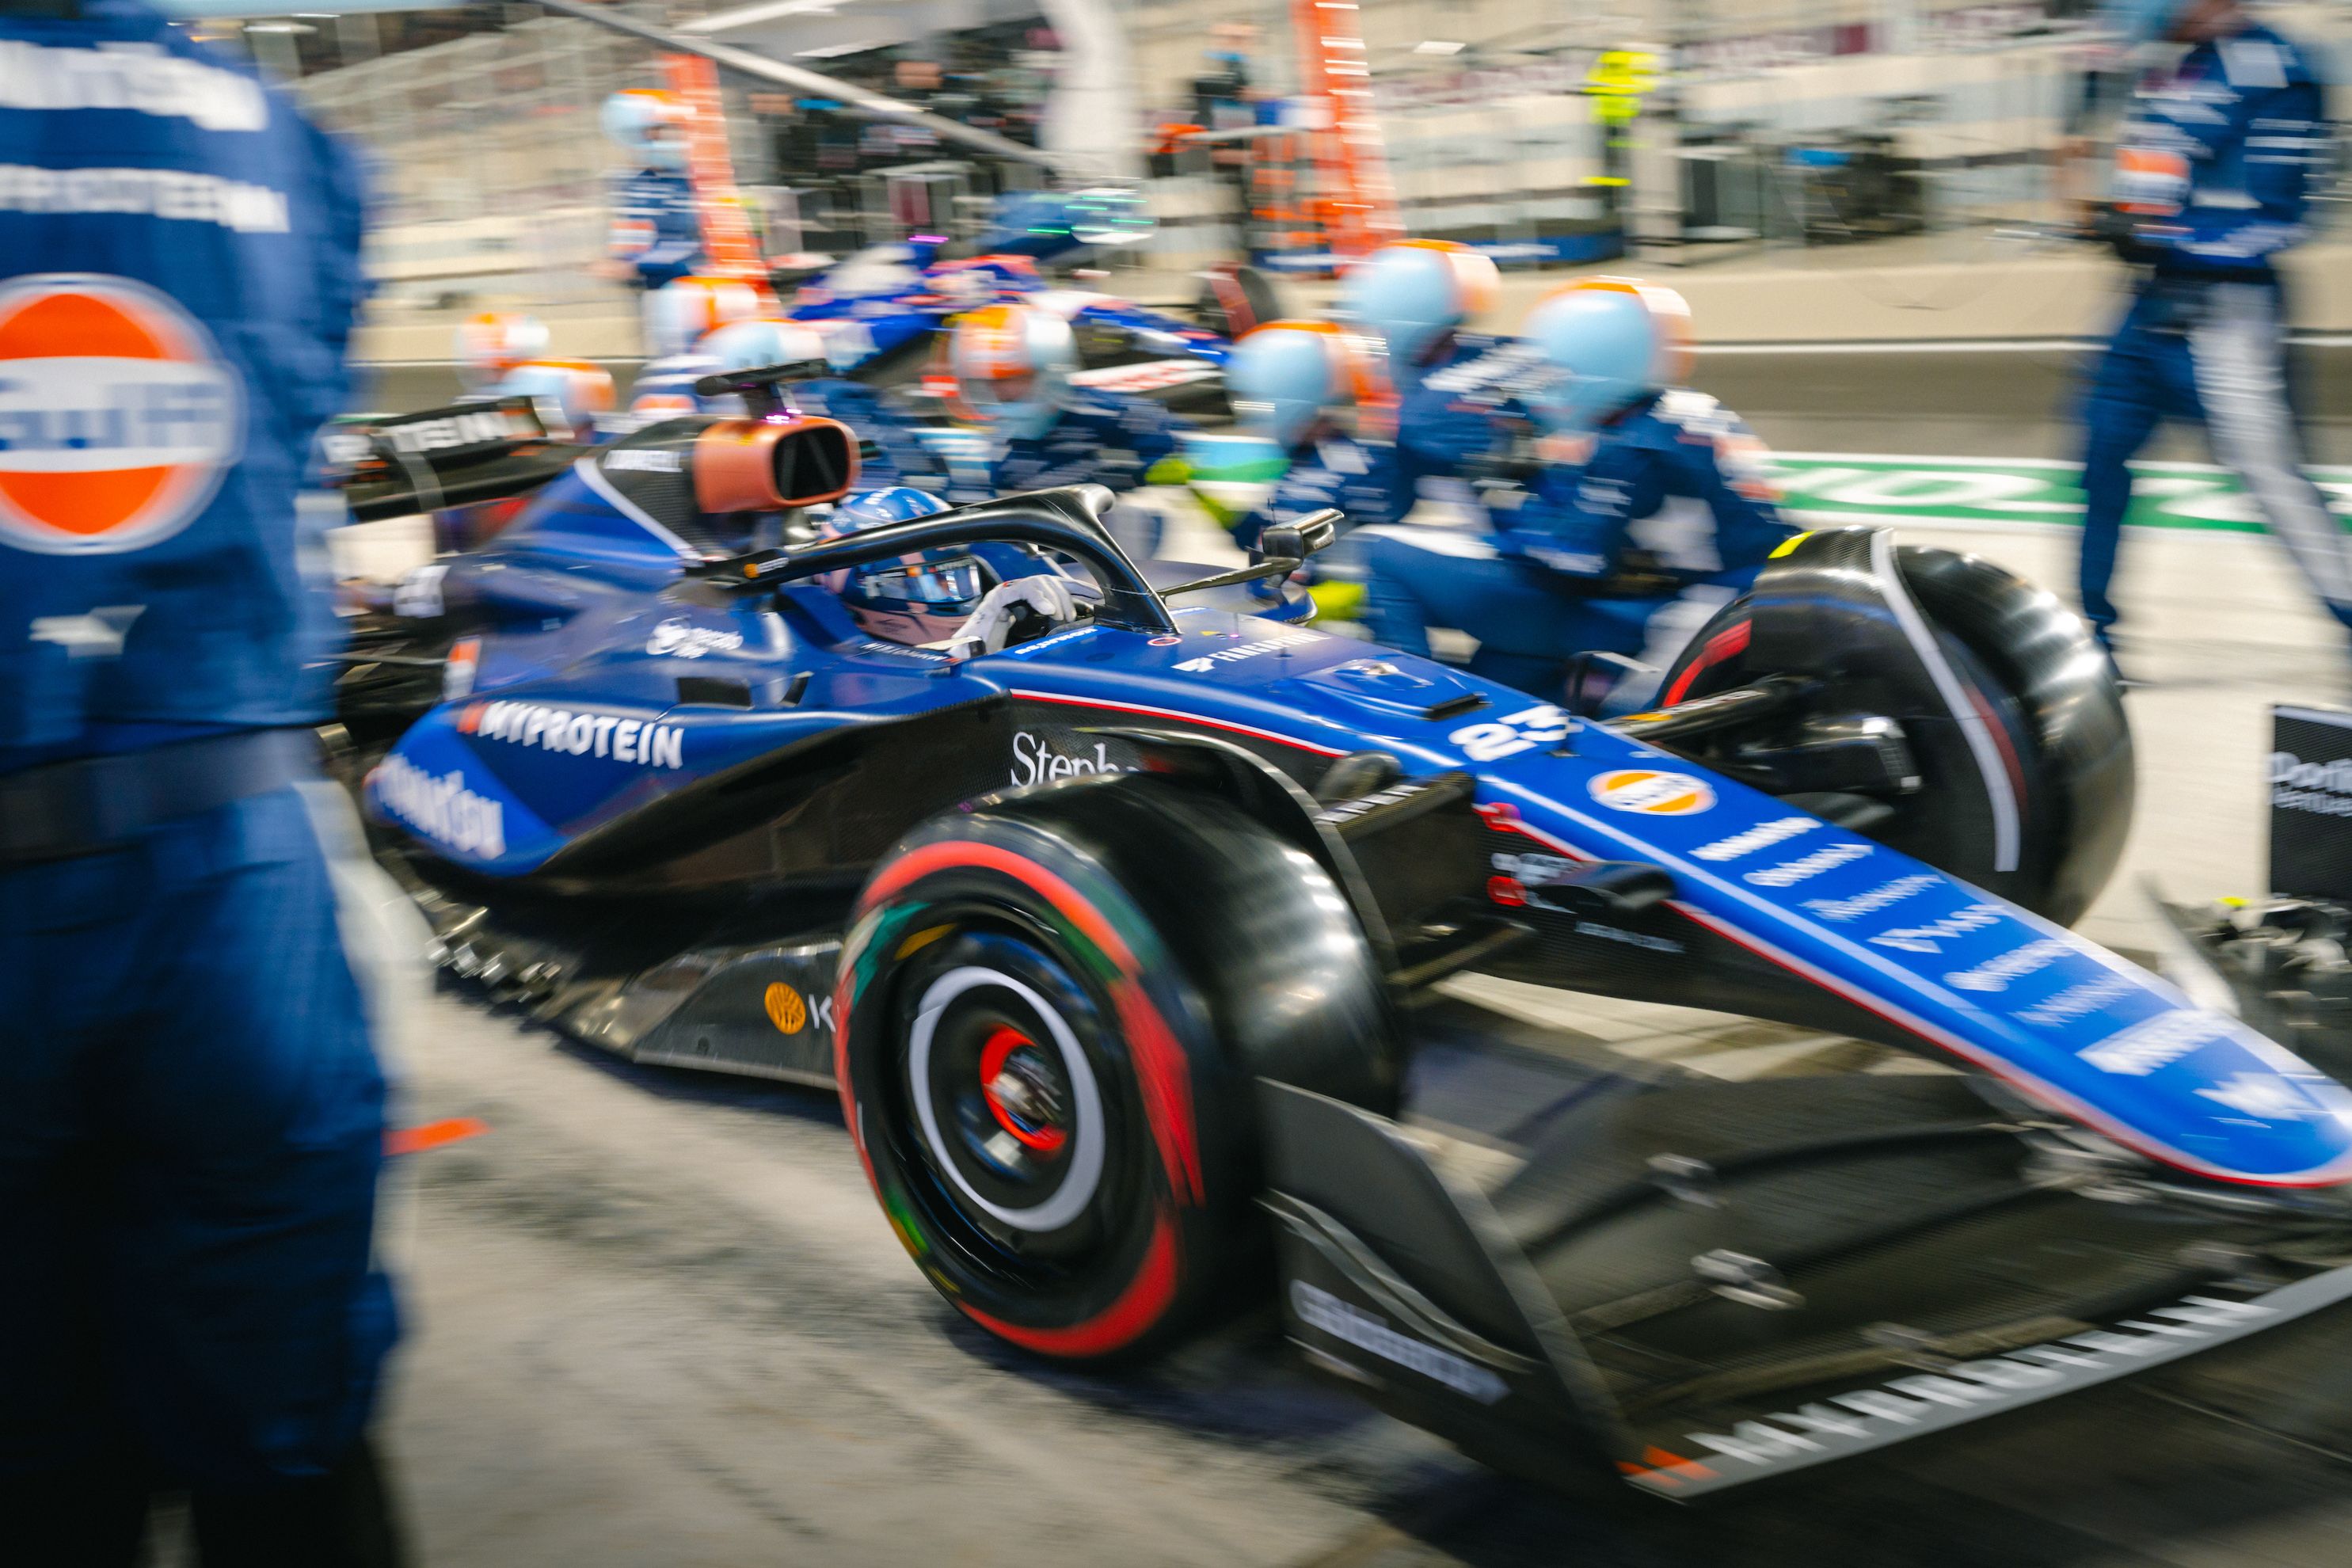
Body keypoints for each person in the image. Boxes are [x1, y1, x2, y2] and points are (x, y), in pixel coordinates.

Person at [0, 1, 402, 1562]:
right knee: (284, 1430)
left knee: (33, 1456)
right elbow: (302, 399)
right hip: (239, 869)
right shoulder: (283, 140)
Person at [1357, 279, 1794, 706]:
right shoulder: (1683, 413)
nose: (1547, 383)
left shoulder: (1631, 446)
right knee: (1502, 674)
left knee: (1384, 553)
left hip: (1683, 621)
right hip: (1733, 598)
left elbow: (1576, 556)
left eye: (1555, 370)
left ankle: (1405, 703)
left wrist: (1508, 497)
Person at [2072, 0, 2350, 650]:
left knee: (2272, 479)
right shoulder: (2173, 71)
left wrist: (2162, 235)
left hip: (2231, 311)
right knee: (2099, 459)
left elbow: (2281, 215)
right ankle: (2092, 637)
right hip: (2149, 307)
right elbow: (2148, 182)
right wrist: (2122, 217)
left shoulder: (2281, 67)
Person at [942, 302, 1187, 553]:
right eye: (990, 382)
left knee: (1133, 512)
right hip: (1036, 558)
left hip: (1106, 554)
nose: (1001, 392)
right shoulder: (992, 439)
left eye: (1015, 378)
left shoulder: (1108, 414)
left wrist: (1120, 481)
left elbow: (1173, 454)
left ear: (1051, 367)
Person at [602, 89, 706, 291]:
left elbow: (693, 245)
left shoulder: (691, 181)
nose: (674, 138)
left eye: (674, 129)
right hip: (659, 292)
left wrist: (636, 266)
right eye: (659, 130)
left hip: (695, 287)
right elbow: (630, 242)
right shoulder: (635, 185)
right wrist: (619, 262)